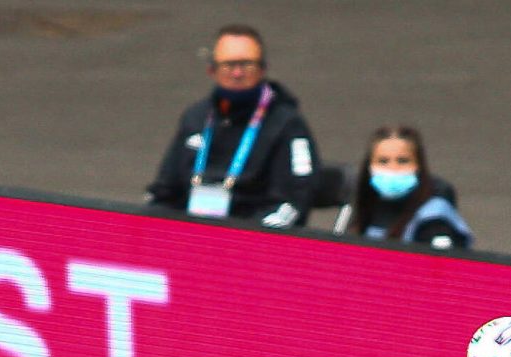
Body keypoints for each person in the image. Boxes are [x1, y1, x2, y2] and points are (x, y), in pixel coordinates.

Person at [147, 24, 320, 229]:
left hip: (252, 241)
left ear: (262, 69)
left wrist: (241, 242)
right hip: (190, 238)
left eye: (246, 64)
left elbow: (292, 203)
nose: (237, 73)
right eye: (228, 65)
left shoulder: (288, 124)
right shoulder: (196, 117)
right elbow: (164, 192)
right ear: (211, 70)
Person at [334, 125, 474, 249]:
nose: (393, 168)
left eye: (403, 161)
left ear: (418, 166)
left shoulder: (435, 217)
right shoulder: (362, 208)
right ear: (369, 167)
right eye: (383, 161)